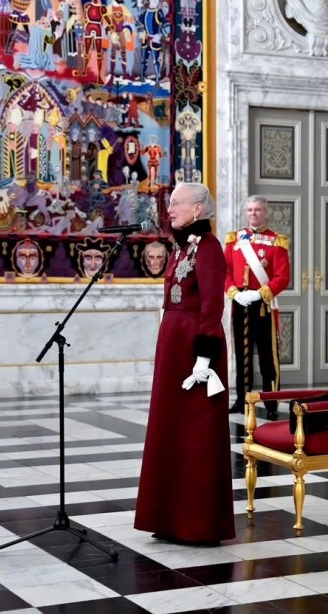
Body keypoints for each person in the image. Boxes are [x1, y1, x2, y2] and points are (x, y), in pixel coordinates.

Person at [134, 182, 235, 544]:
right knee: (170, 431)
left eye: (177, 203)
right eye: (170, 203)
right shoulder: (180, 247)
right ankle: (167, 518)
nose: (170, 208)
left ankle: (198, 525)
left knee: (196, 437)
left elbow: (212, 306)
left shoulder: (209, 249)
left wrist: (204, 358)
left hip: (196, 354)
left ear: (198, 209)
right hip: (173, 349)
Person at [224, 195, 291, 418]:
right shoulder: (234, 240)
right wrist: (234, 293)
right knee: (242, 355)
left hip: (263, 305)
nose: (253, 213)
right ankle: (242, 399)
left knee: (267, 356)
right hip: (240, 304)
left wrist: (259, 293)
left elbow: (283, 277)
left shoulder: (276, 241)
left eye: (258, 210)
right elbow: (225, 274)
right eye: (250, 210)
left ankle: (271, 404)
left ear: (266, 212)